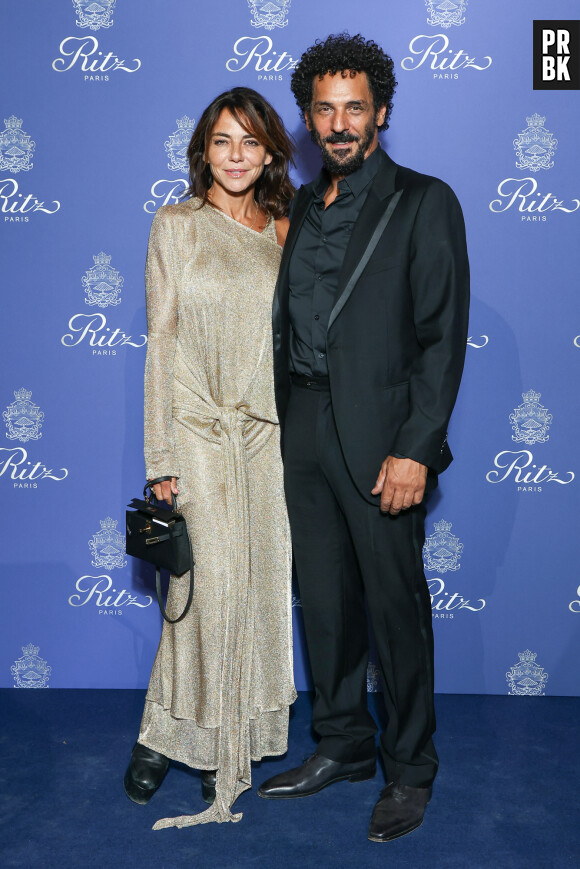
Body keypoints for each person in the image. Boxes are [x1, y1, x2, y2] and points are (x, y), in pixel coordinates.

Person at [257, 33, 470, 843]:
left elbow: (441, 338)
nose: (340, 123)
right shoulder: (305, 204)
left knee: (394, 609)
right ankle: (342, 744)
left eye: (355, 107)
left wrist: (416, 446)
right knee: (328, 605)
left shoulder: (424, 200)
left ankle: (409, 767)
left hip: (384, 439)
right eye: (325, 109)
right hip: (302, 425)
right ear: (308, 120)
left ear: (381, 111)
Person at [123, 87, 297, 829]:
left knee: (252, 592)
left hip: (264, 438)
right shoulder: (175, 225)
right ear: (204, 150)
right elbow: (161, 342)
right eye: (222, 141)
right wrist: (160, 452)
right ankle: (175, 736)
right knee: (203, 591)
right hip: (194, 429)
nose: (235, 156)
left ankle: (198, 738)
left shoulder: (286, 232)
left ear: (269, 154)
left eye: (249, 143)